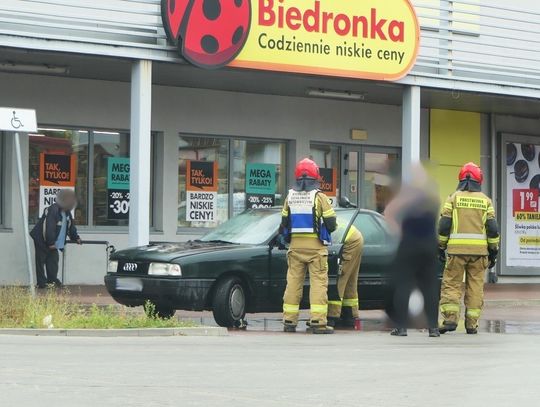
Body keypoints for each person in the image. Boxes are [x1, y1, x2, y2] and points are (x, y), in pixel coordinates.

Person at [438, 162, 500, 334]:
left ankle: (450, 320)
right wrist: (493, 251)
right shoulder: (486, 201)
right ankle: (471, 324)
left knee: (451, 284)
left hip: (456, 252)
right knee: (475, 287)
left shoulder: (453, 198)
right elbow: (493, 229)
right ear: (479, 179)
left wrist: (441, 246)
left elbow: (444, 225)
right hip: (480, 254)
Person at [280, 158, 337, 334]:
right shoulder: (319, 197)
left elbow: (284, 222)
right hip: (316, 249)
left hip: (295, 248)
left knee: (293, 283)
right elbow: (331, 223)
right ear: (316, 177)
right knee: (318, 284)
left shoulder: (289, 196)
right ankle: (318, 322)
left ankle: (289, 321)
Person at [384, 164, 441, 338]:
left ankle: (401, 327)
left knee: (403, 285)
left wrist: (398, 231)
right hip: (429, 245)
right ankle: (433, 328)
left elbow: (389, 212)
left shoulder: (406, 196)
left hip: (409, 244)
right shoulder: (433, 198)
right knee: (430, 287)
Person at [30, 189, 82, 288]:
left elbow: (71, 226)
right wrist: (50, 243)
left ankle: (52, 280)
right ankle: (41, 283)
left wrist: (76, 237)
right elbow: (48, 227)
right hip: (41, 239)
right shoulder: (53, 210)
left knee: (53, 260)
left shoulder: (67, 212)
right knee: (41, 261)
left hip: (53, 241)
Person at [327, 224, 364, 329]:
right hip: (355, 238)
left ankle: (332, 316)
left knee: (340, 278)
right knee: (350, 280)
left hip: (350, 242)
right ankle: (350, 315)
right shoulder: (322, 213)